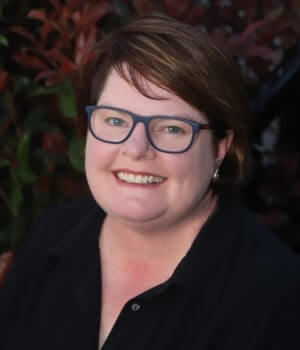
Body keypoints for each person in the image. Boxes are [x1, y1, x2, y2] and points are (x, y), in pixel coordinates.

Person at [0, 14, 300, 350]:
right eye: (114, 120)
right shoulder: (49, 238)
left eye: (171, 128)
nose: (136, 149)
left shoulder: (278, 299)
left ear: (220, 148)